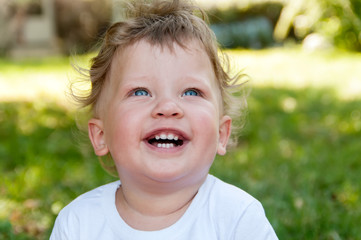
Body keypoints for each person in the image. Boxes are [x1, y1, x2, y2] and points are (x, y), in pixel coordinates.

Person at [50, 0, 278, 239]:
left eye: (191, 92)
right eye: (140, 92)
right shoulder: (79, 224)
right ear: (101, 135)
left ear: (221, 134)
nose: (167, 107)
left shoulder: (237, 218)